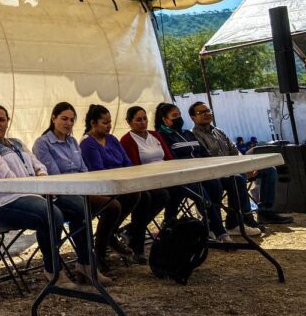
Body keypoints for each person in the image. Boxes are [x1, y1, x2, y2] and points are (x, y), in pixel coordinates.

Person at [0, 104, 84, 287]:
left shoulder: (17, 143)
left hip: (32, 195)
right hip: (2, 204)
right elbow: (7, 180)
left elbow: (39, 166)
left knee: (78, 207)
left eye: (2, 119)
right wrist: (38, 185)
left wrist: (40, 177)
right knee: (51, 214)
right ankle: (53, 271)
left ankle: (85, 264)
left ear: (8, 121)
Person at [32, 102, 121, 280]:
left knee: (114, 205)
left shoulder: (72, 141)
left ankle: (93, 257)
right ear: (53, 118)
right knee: (81, 210)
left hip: (81, 189)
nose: (68, 123)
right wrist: (81, 184)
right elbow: (55, 177)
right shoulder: (43, 144)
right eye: (64, 119)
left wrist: (85, 185)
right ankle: (88, 263)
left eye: (72, 120)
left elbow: (83, 169)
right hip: (60, 194)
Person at [189, 102, 292, 226]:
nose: (207, 114)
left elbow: (235, 151)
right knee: (240, 177)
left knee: (270, 170)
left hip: (235, 169)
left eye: (208, 110)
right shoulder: (193, 135)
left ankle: (265, 211)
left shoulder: (219, 131)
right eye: (201, 112)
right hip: (217, 175)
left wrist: (247, 166)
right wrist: (240, 170)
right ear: (193, 118)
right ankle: (244, 218)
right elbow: (208, 159)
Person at [154, 103, 232, 243]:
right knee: (202, 193)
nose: (179, 118)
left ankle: (211, 225)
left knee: (215, 184)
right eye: (174, 116)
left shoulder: (188, 134)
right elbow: (171, 159)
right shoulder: (162, 137)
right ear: (165, 120)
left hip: (200, 174)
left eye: (179, 115)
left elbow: (203, 153)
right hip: (181, 178)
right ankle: (220, 231)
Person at [78, 105, 142, 266]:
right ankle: (101, 249)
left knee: (147, 195)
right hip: (101, 187)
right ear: (93, 123)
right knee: (114, 206)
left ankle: (116, 234)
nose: (109, 126)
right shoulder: (88, 143)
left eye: (110, 122)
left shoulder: (112, 139)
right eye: (105, 122)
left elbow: (127, 162)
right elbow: (98, 171)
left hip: (120, 183)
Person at [118, 106, 173, 262]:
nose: (143, 123)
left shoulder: (155, 135)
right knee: (149, 197)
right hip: (145, 181)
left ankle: (133, 230)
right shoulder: (127, 140)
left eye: (145, 119)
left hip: (166, 176)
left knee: (180, 190)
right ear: (129, 122)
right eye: (138, 120)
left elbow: (168, 158)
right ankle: (137, 246)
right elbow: (134, 167)